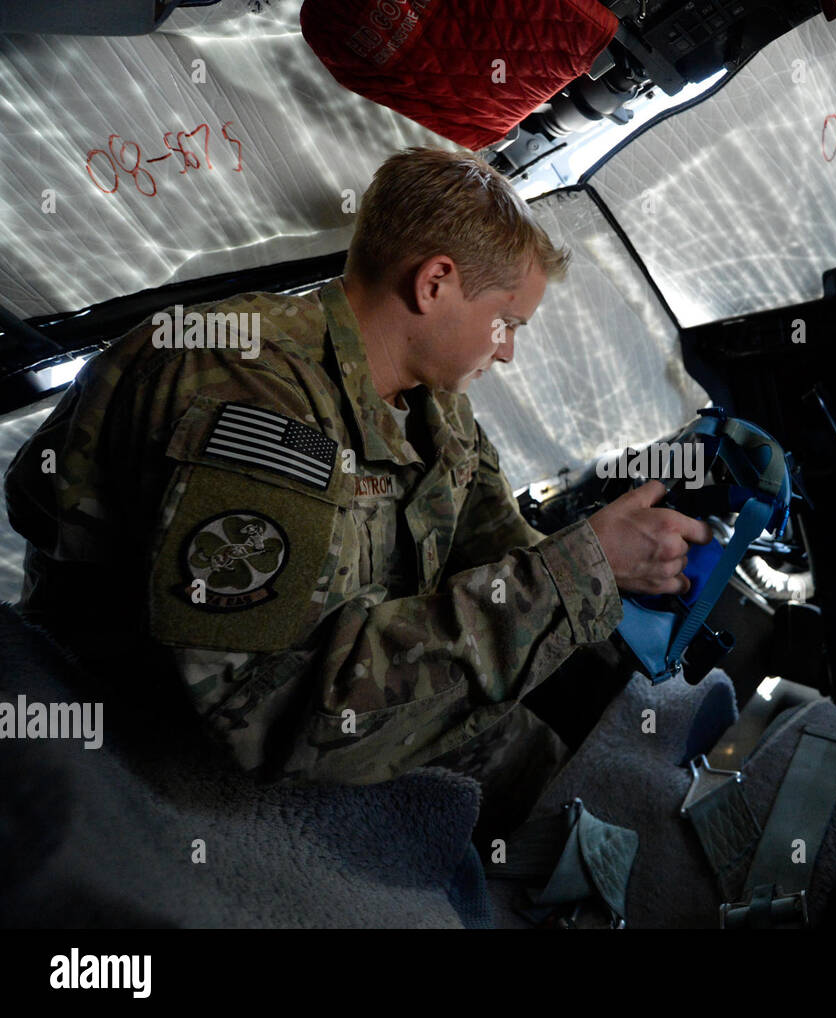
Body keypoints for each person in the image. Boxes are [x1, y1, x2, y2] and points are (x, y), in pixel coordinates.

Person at [3, 146, 711, 830]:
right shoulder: (255, 394)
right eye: (507, 323)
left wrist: (614, 564)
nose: (509, 351)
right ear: (434, 283)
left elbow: (492, 542)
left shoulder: (436, 407)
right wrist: (578, 574)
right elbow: (265, 710)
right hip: (149, 741)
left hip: (350, 682)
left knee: (560, 772)